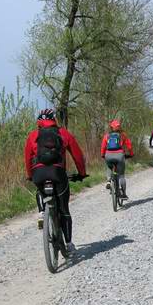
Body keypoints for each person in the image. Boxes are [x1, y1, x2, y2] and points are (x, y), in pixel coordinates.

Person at [24, 108, 87, 253]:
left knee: (40, 190)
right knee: (64, 209)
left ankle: (41, 212)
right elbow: (77, 155)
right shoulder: (63, 133)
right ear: (54, 120)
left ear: (39, 121)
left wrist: (30, 175)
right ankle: (69, 244)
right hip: (58, 173)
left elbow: (27, 158)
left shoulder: (33, 135)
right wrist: (81, 173)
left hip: (39, 173)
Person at [100, 119, 134, 200]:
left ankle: (108, 181)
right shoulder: (123, 135)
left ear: (111, 127)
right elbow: (129, 146)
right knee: (121, 175)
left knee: (109, 167)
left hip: (108, 155)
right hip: (119, 155)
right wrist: (131, 154)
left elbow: (103, 147)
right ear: (119, 127)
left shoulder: (107, 135)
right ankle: (123, 194)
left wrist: (102, 155)